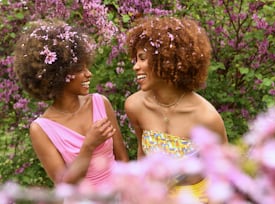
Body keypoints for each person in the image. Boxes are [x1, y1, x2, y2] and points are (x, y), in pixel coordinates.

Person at [13, 19, 129, 197]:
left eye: (86, 66)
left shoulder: (100, 102)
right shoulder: (41, 128)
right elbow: (63, 186)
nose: (88, 74)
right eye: (79, 69)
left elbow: (122, 160)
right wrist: (88, 145)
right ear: (58, 75)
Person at [124, 16, 228, 203]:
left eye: (142, 58)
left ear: (166, 60)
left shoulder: (206, 116)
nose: (135, 66)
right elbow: (142, 151)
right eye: (135, 59)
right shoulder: (134, 106)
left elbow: (224, 168)